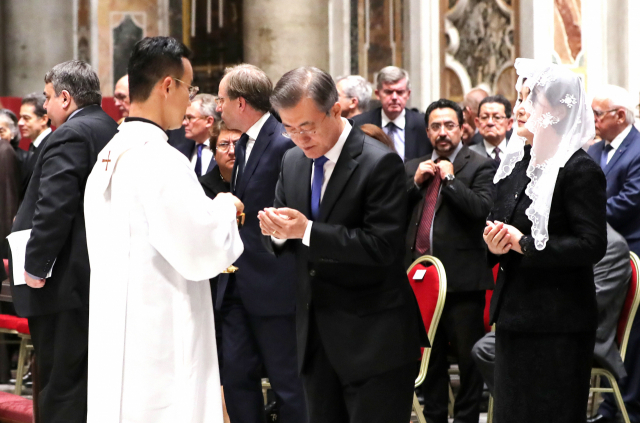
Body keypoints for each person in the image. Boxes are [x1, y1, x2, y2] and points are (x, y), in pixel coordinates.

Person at [84, 36, 244, 423]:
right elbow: (199, 249)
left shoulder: (107, 156)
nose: (190, 100)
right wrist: (225, 205)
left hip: (116, 328)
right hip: (160, 333)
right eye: (190, 89)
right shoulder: (160, 159)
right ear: (167, 86)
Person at [258, 66, 428, 423]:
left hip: (373, 338)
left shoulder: (378, 161)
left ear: (335, 110)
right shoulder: (292, 160)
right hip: (316, 337)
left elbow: (381, 246)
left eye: (306, 126)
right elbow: (289, 237)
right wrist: (276, 232)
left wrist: (306, 232)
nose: (299, 138)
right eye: (288, 128)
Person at [483, 58, 607, 423]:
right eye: (518, 98)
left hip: (559, 321)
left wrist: (525, 245)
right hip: (514, 314)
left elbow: (591, 245)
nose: (517, 109)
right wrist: (494, 245)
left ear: (554, 111)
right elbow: (501, 224)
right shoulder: (520, 163)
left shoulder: (580, 169)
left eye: (528, 100)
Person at [9, 60, 119, 422]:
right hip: (92, 276)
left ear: (67, 98)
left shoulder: (72, 133)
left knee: (60, 384)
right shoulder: (108, 128)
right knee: (84, 379)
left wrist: (36, 266)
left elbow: (54, 207)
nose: (45, 105)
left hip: (62, 281)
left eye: (48, 97)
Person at [214, 63, 306, 423]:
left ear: (240, 102)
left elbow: (291, 209)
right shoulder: (246, 141)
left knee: (287, 384)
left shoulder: (283, 142)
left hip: (273, 283)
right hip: (237, 282)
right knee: (236, 378)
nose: (217, 108)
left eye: (221, 100)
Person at [405, 99, 495, 423]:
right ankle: (435, 417)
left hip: (462, 281)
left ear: (462, 128)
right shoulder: (413, 166)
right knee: (431, 360)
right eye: (435, 127)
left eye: (449, 126)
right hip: (419, 281)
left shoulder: (479, 164)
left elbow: (482, 210)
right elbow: (392, 213)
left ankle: (468, 419)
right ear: (427, 131)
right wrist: (413, 184)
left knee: (469, 362)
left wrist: (451, 181)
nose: (442, 133)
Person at [473, 222, 630, 395]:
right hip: (546, 317)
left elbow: (591, 303)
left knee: (495, 350)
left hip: (582, 334)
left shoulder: (612, 245)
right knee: (488, 347)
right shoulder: (563, 234)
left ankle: (531, 409)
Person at [587, 84, 640, 423]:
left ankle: (628, 408)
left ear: (620, 116)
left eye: (597, 114)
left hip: (632, 249)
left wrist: (583, 215)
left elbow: (630, 200)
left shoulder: (638, 150)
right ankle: (609, 406)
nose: (592, 121)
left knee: (632, 336)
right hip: (598, 251)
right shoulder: (594, 151)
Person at [198, 120, 242, 423]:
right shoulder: (203, 186)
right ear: (214, 153)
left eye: (237, 144)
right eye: (223, 145)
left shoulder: (254, 180)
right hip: (213, 282)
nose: (231, 151)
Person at [352, 66, 432, 161]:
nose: (394, 97)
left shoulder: (423, 125)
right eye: (388, 92)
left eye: (400, 92)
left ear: (408, 94)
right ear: (378, 94)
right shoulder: (359, 124)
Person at [18, 93, 51, 197]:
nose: (20, 123)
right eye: (20, 117)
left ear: (43, 119)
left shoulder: (51, 146)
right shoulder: (34, 146)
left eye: (26, 118)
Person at [469, 95, 513, 163]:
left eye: (497, 117)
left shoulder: (520, 153)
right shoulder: (468, 156)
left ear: (509, 123)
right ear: (477, 123)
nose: (490, 122)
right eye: (484, 117)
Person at [184, 93, 218, 176]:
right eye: (184, 118)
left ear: (209, 121)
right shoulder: (181, 151)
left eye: (190, 118)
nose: (184, 123)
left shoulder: (226, 149)